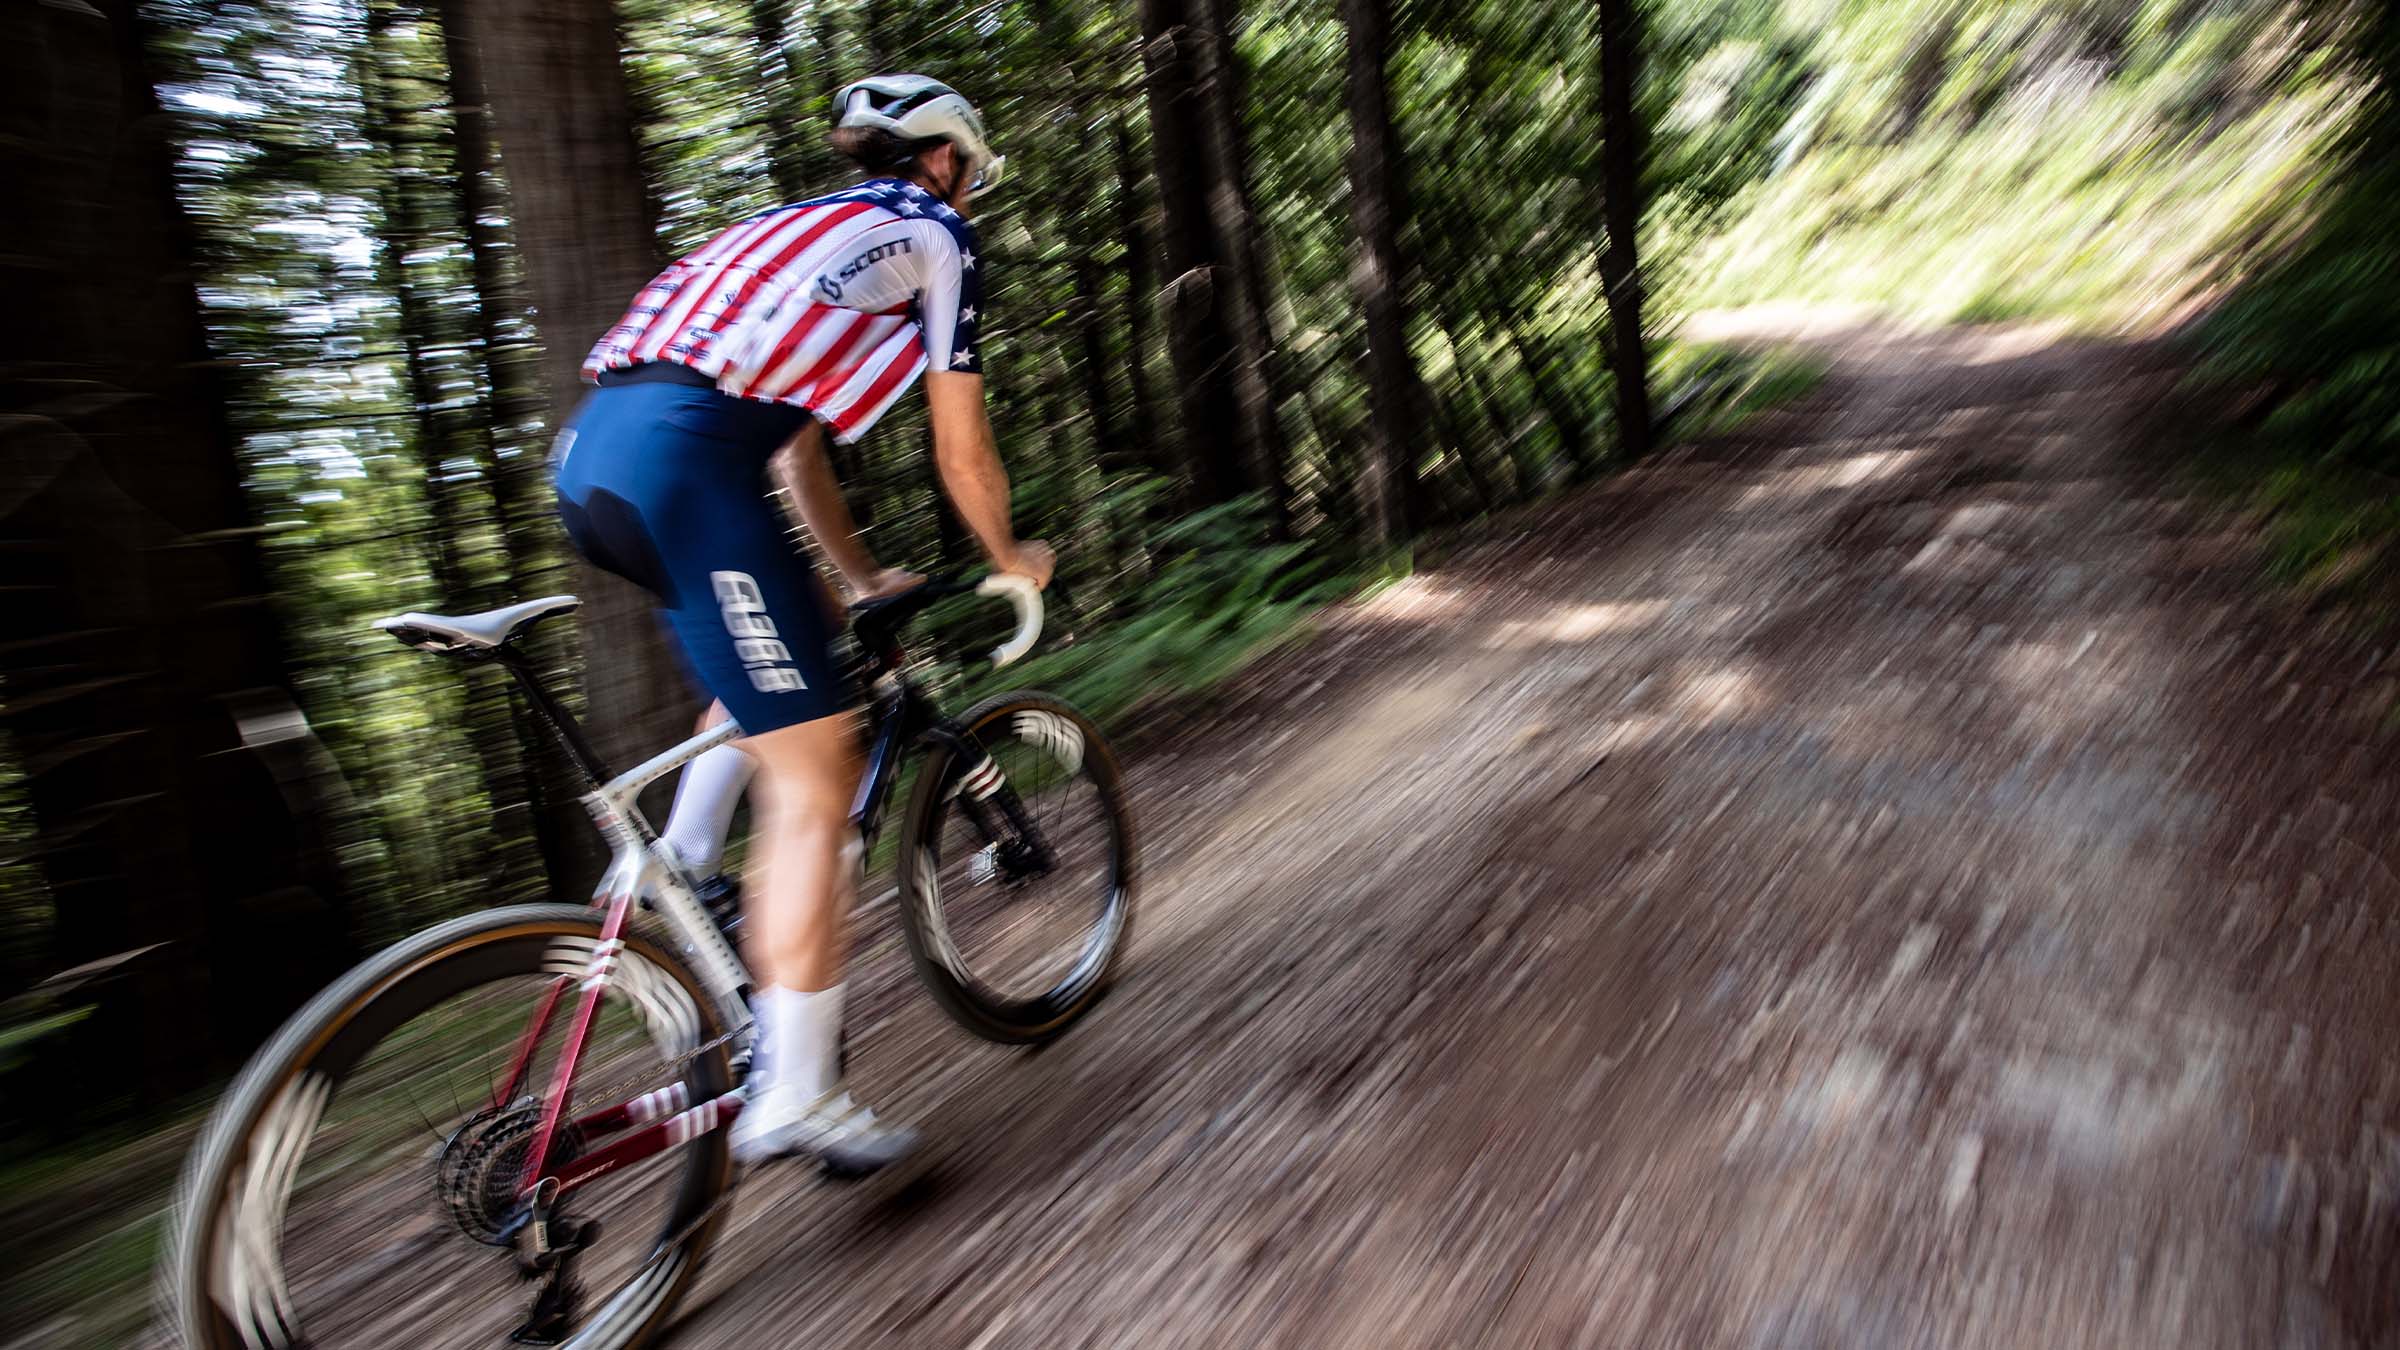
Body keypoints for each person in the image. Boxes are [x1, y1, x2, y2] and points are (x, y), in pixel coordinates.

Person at [552, 74, 1052, 1175]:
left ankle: (679, 853)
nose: (968, 193)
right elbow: (960, 451)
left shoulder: (784, 232)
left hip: (596, 461)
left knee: (791, 647)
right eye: (970, 174)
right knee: (818, 770)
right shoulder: (935, 234)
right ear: (947, 160)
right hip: (686, 471)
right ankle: (798, 1093)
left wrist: (860, 573)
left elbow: (792, 448)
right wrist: (1012, 558)